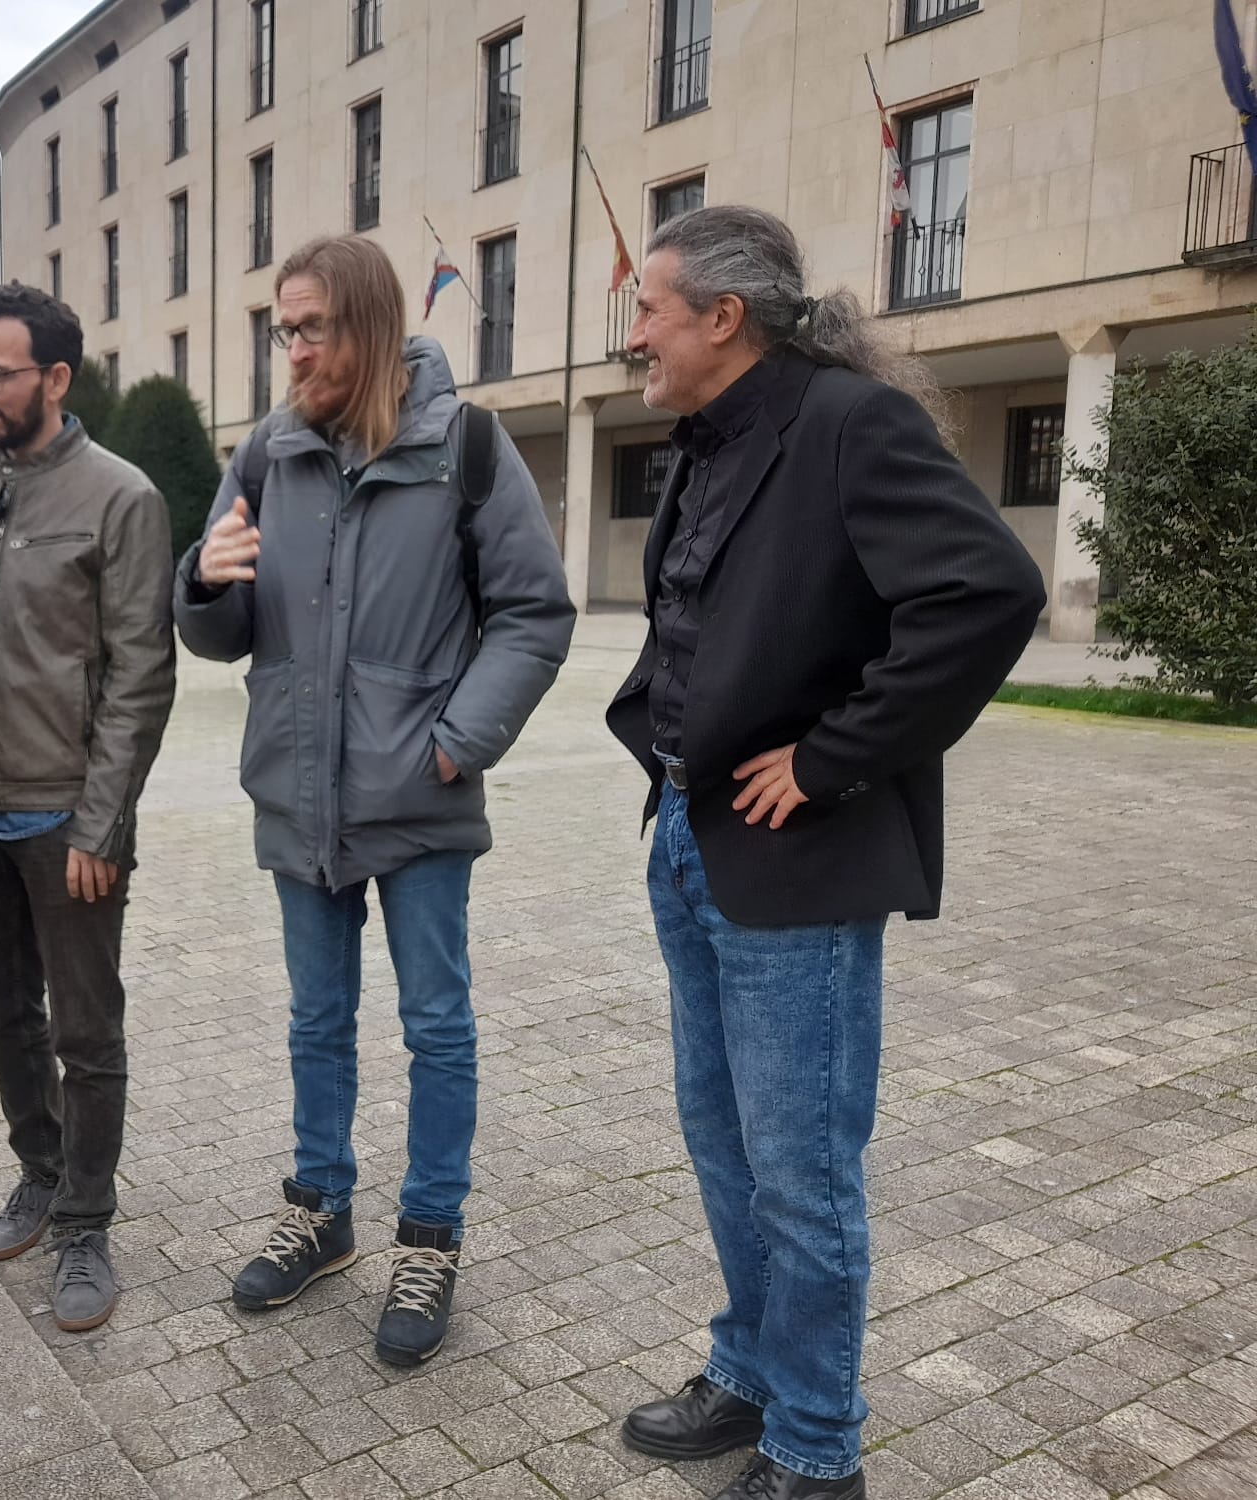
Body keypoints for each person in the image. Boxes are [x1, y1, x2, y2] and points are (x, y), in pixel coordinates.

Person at [606, 206, 1046, 1500]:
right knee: (725, 1141)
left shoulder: (851, 425)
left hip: (800, 862)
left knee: (803, 1167)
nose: (635, 330)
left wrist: (830, 756)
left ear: (724, 317)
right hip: (692, 837)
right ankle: (749, 1372)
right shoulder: (702, 441)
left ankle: (818, 1447)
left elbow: (988, 593)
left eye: (651, 307)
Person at [175, 235, 575, 1367]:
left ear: (370, 327)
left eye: (310, 328)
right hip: (299, 794)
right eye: (281, 330)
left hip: (418, 798)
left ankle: (429, 1236)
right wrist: (202, 581)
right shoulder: (266, 452)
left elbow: (533, 614)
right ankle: (321, 1209)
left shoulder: (469, 448)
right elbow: (218, 627)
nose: (291, 350)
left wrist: (458, 742)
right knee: (316, 1019)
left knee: (435, 1025)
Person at [0, 282, 175, 1334]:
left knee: (85, 1031)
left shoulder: (121, 498)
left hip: (64, 819)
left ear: (54, 379)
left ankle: (84, 1222)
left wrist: (102, 824)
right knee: (2, 1014)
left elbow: (138, 678)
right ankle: (37, 1169)